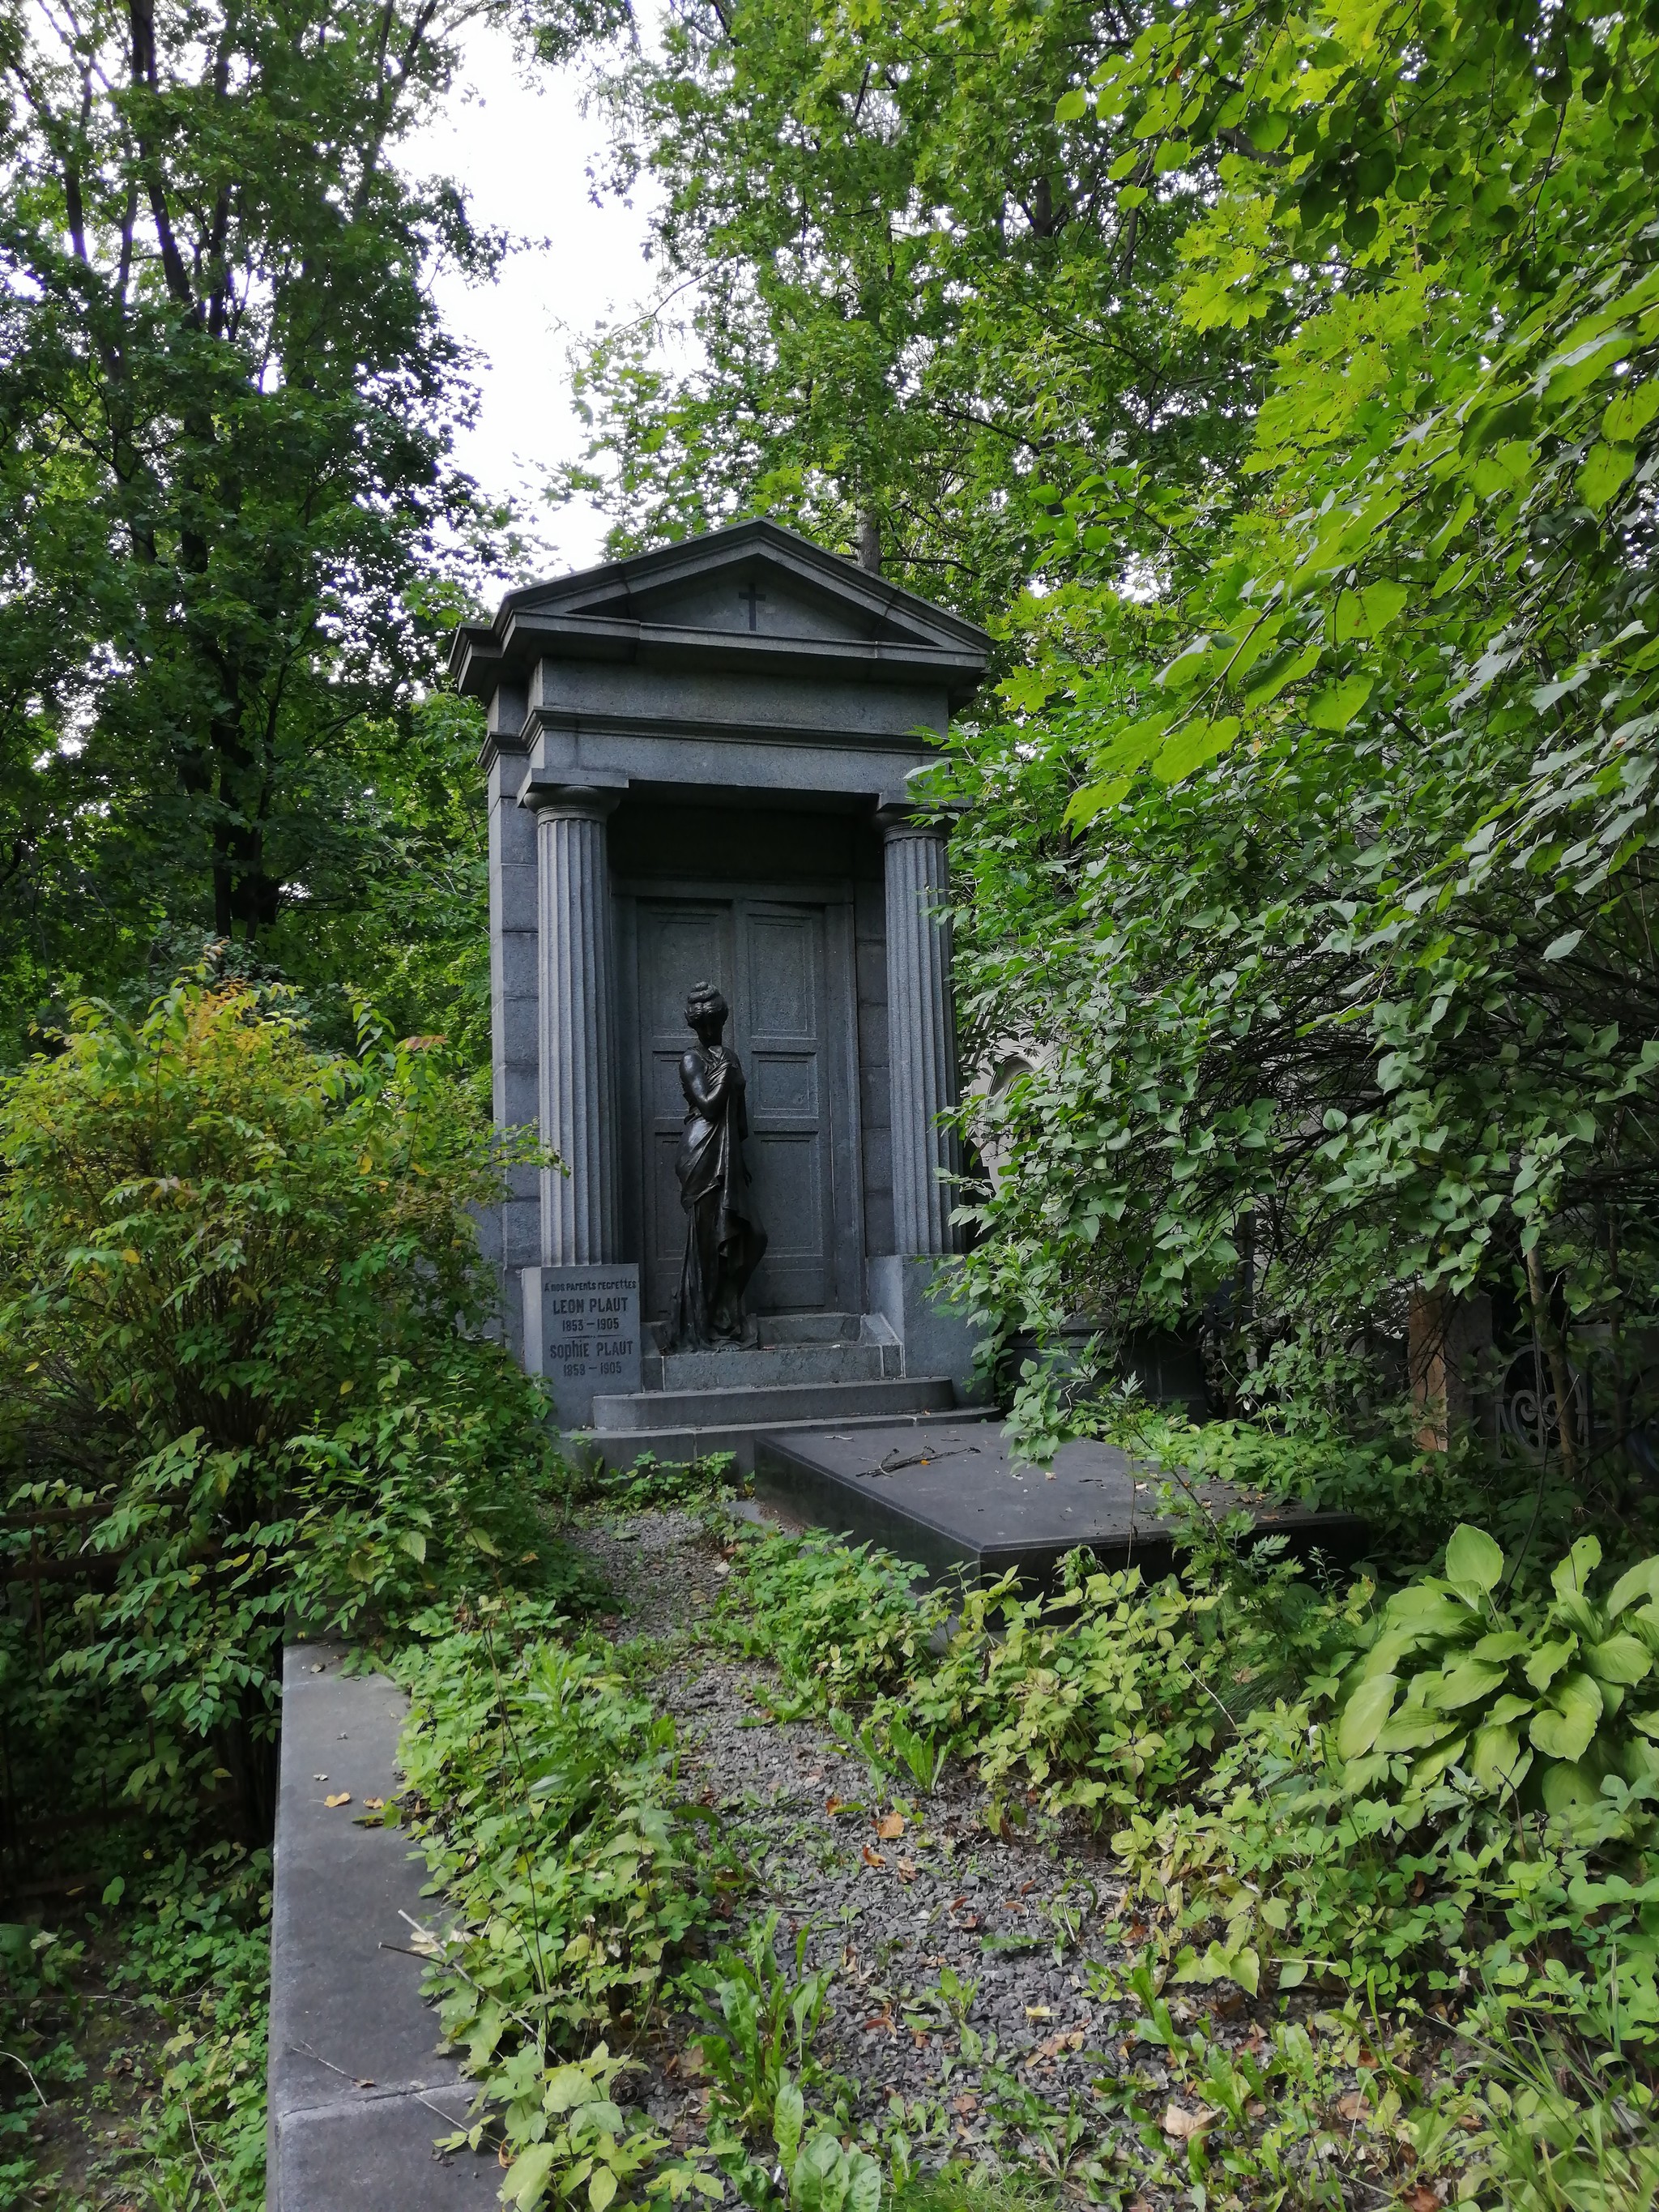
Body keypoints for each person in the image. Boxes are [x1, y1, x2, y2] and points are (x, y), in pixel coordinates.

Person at [667, 982, 767, 1347]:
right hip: (700, 1152)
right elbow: (709, 1106)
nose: (709, 1031)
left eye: (715, 1023)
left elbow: (739, 1122)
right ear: (695, 1026)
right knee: (708, 1247)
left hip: (727, 1156)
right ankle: (701, 1322)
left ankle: (726, 1308)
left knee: (753, 1237)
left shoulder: (730, 1055)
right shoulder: (692, 1059)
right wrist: (727, 1075)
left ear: (722, 1021)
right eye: (702, 1025)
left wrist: (738, 1165)